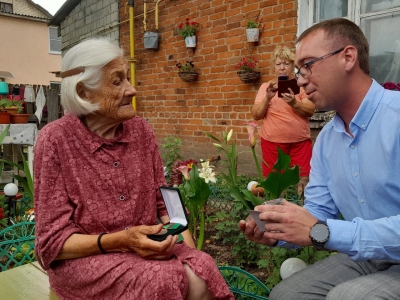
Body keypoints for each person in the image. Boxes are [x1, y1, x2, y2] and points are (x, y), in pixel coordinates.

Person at [34, 38, 234, 300]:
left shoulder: (141, 131)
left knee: (203, 267)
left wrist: (189, 250)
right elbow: (52, 244)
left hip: (145, 247)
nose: (132, 90)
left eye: (127, 79)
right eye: (117, 81)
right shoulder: (55, 140)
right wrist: (122, 240)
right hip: (87, 258)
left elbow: (163, 201)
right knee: (164, 279)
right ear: (84, 93)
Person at [239, 18, 400, 299]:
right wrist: (278, 230)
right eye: (298, 70)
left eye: (308, 65)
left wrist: (320, 231)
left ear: (348, 57)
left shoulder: (395, 118)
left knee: (350, 296)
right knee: (287, 294)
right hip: (368, 256)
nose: (300, 79)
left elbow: (320, 229)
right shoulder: (326, 139)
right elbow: (318, 213)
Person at [251, 46, 315, 191]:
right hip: (272, 142)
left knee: (303, 178)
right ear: (274, 67)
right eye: (279, 64)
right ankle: (277, 210)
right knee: (274, 181)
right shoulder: (266, 87)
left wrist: (294, 102)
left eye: (286, 64)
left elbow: (310, 110)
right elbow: (256, 115)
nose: (282, 68)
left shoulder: (300, 85)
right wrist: (267, 98)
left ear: (293, 66)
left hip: (300, 142)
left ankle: (301, 209)